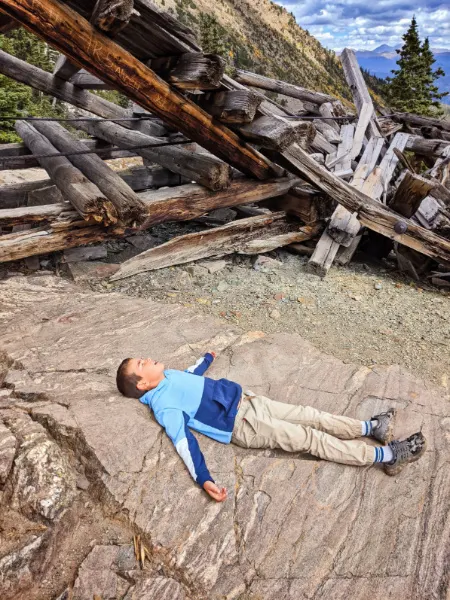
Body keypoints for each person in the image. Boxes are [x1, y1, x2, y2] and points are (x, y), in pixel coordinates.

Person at [116, 352, 426, 502]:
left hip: (249, 401)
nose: (146, 359)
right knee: (310, 438)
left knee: (310, 414)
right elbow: (183, 442)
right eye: (141, 364)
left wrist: (207, 358)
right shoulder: (163, 406)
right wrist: (204, 479)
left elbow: (192, 374)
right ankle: (387, 456)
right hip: (245, 425)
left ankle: (370, 427)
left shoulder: (168, 375)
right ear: (143, 383)